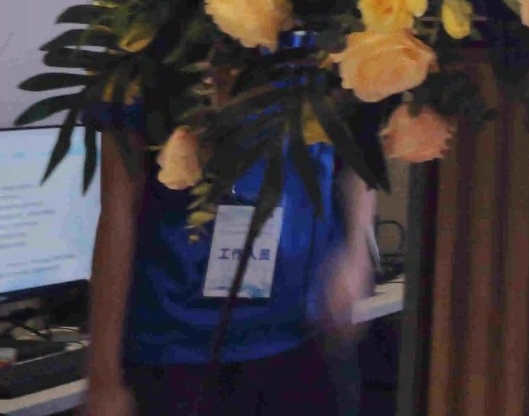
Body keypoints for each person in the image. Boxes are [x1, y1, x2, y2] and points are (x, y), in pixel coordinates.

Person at [82, 111, 376, 416]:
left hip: (306, 329)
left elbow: (360, 150)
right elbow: (118, 203)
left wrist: (356, 254)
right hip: (176, 343)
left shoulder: (327, 78)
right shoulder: (137, 81)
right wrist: (104, 378)